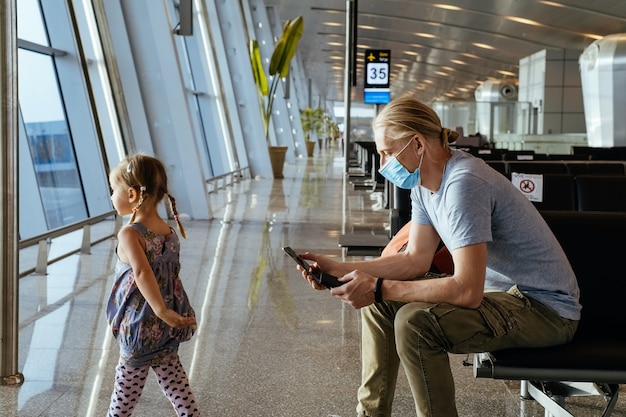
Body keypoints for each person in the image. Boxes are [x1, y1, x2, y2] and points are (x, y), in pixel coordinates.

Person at [299, 95, 581, 417]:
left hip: (545, 310)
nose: (382, 165)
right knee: (378, 306)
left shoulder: (464, 184)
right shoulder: (423, 185)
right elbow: (414, 260)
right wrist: (342, 268)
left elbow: (466, 290)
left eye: (387, 153)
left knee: (415, 322)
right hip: (502, 297)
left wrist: (378, 287)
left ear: (418, 144)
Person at [106, 153, 199, 417]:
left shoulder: (129, 234)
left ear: (133, 194)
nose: (112, 196)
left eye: (114, 190)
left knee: (125, 392)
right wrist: (168, 314)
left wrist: (159, 310)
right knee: (176, 385)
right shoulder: (167, 232)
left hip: (141, 327)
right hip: (167, 328)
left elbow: (143, 272)